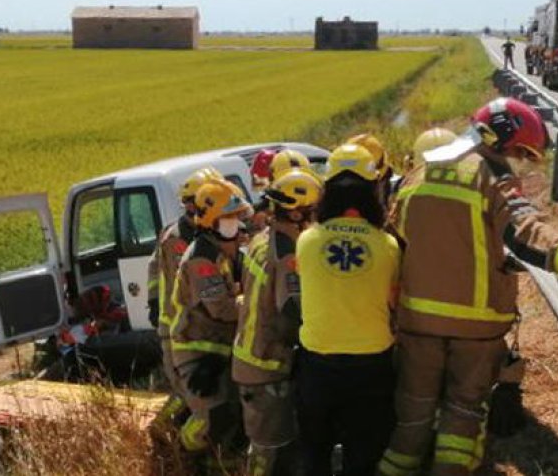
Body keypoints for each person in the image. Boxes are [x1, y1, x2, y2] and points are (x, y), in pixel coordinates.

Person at [379, 98, 558, 476]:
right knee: (463, 412)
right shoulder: (492, 177)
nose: (517, 161)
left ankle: (394, 469)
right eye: (518, 151)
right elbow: (526, 234)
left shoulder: (416, 175)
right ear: (499, 138)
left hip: (416, 322)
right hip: (476, 326)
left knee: (413, 411)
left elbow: (395, 241)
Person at [296, 144, 403, 476]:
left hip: (317, 363)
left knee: (316, 452)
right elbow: (393, 301)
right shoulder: (387, 246)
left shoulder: (307, 241)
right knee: (363, 454)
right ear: (373, 190)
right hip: (370, 365)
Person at [233, 168, 322, 476]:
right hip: (267, 366)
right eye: (313, 212)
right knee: (268, 452)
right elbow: (291, 312)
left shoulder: (259, 240)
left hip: (251, 358)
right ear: (298, 214)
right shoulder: (288, 256)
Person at [170, 178, 253, 457]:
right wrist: (256, 303)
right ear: (211, 222)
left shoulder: (229, 253)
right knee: (212, 420)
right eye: (228, 218)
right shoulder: (201, 259)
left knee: (234, 417)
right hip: (195, 347)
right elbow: (222, 309)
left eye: (237, 217)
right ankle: (177, 451)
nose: (237, 224)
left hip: (221, 346)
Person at [148, 167, 221, 427]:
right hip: (178, 329)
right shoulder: (179, 240)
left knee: (194, 394)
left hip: (186, 327)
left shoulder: (189, 234)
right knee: (187, 394)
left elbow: (154, 270)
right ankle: (160, 435)